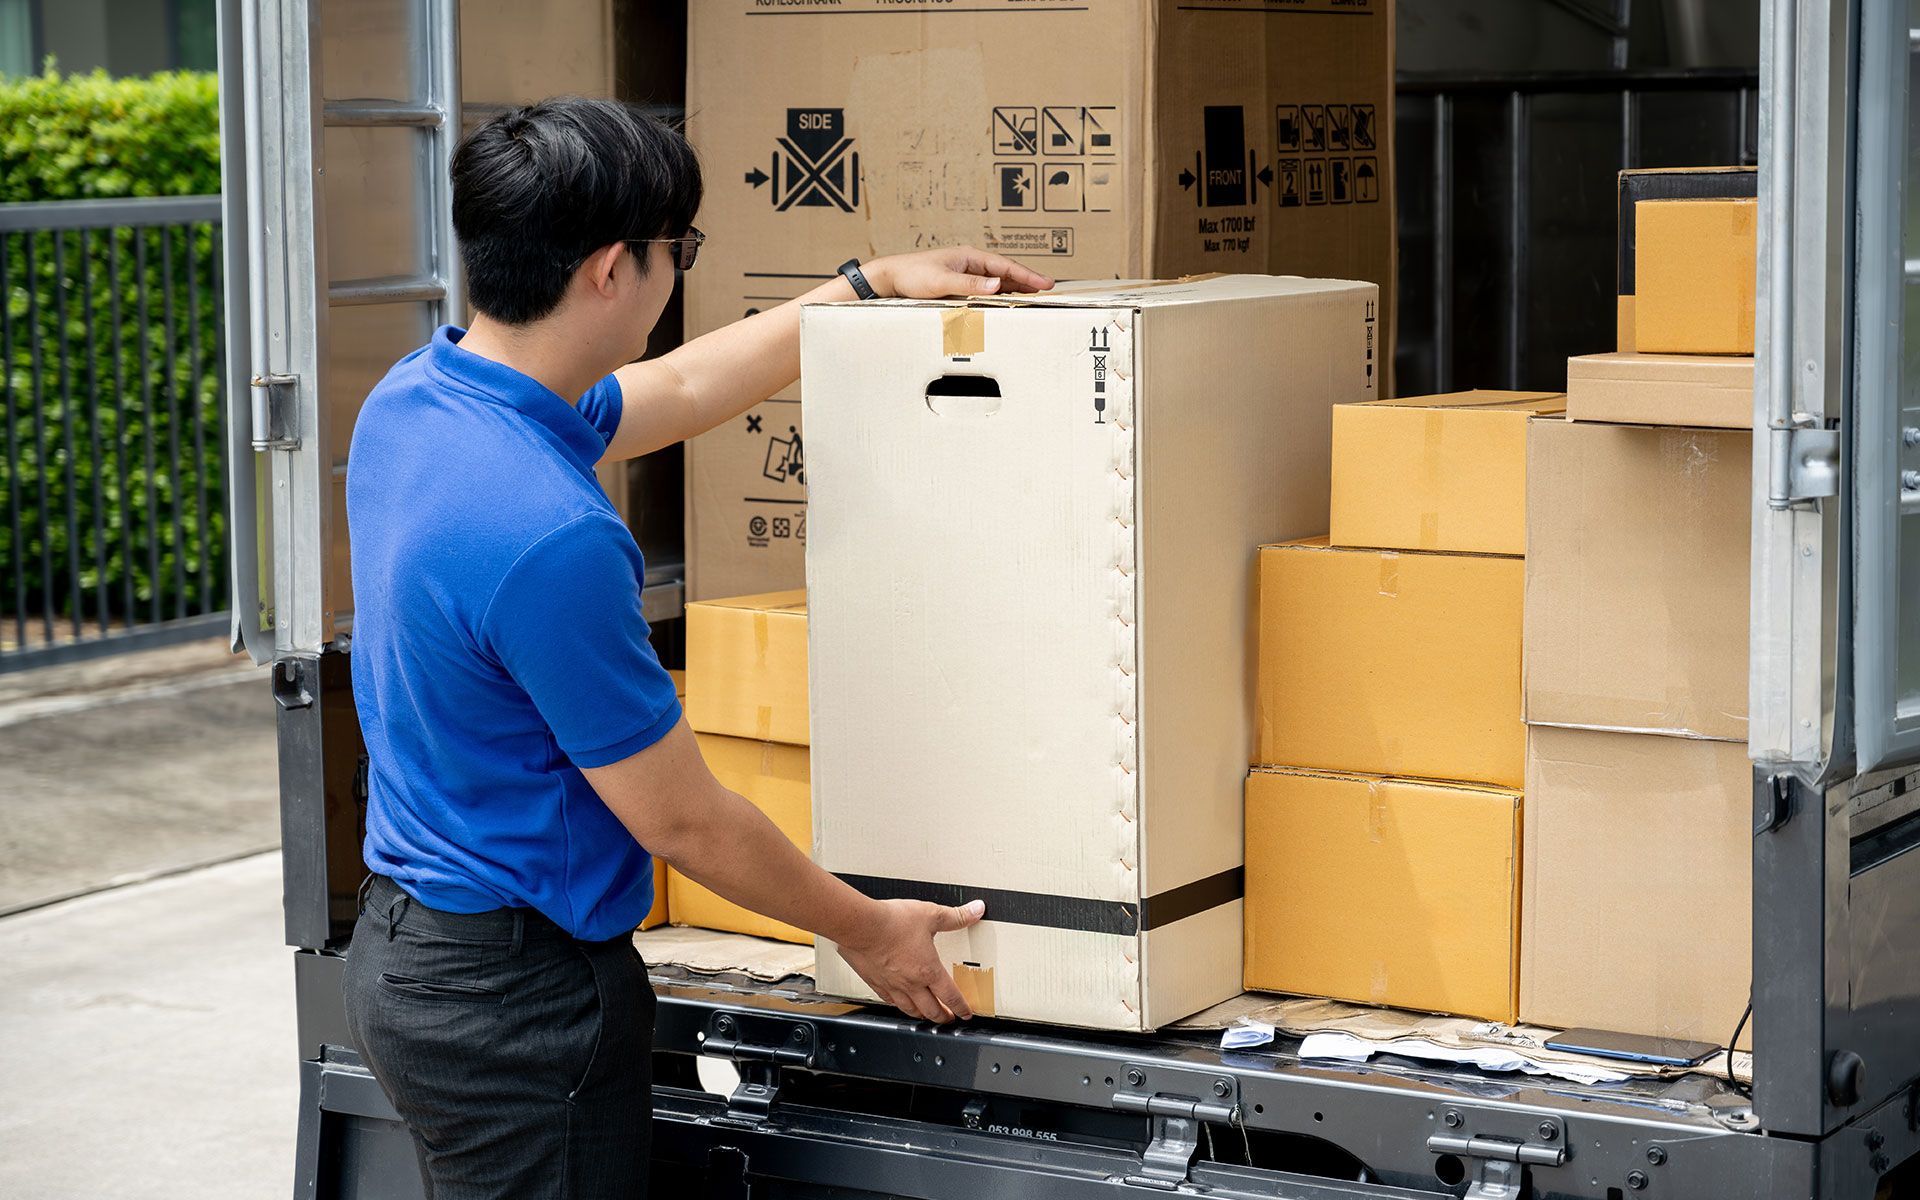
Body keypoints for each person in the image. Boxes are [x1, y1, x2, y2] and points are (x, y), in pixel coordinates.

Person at [339, 96, 1053, 1199]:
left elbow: (670, 390)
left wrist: (862, 288)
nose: (685, 273)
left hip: (412, 952)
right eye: (683, 250)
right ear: (614, 270)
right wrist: (869, 931)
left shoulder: (419, 402)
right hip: (516, 1001)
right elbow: (681, 819)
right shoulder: (552, 537)